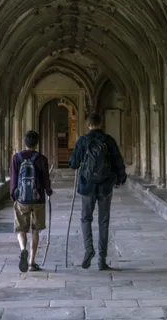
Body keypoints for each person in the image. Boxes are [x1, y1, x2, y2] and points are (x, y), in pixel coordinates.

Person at [68, 112, 126, 270]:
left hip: (87, 186)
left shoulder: (83, 140)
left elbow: (73, 164)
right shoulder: (109, 140)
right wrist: (120, 179)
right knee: (104, 222)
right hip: (105, 186)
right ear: (101, 124)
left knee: (86, 219)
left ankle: (89, 249)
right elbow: (118, 161)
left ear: (88, 125)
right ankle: (102, 260)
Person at [9, 129, 52, 272]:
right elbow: (46, 180)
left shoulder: (16, 158)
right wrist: (48, 191)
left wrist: (13, 195)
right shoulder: (42, 159)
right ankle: (31, 262)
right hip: (38, 199)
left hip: (22, 199)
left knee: (21, 228)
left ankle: (23, 249)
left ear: (24, 142)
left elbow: (14, 179)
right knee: (35, 230)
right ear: (37, 143)